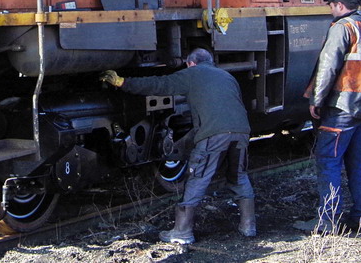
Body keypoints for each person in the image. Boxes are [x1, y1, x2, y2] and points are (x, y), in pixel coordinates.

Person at [100, 48, 255, 243]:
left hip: (214, 134)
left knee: (197, 178)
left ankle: (182, 232)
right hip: (241, 132)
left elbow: (160, 84)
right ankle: (248, 226)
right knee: (238, 176)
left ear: (191, 63)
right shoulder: (227, 76)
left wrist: (122, 82)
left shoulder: (192, 73)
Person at [303, 0, 361, 234]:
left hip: (342, 106)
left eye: (331, 5)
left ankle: (328, 221)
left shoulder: (342, 27)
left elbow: (328, 65)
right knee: (358, 163)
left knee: (328, 160)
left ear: (339, 5)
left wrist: (316, 99)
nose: (330, 10)